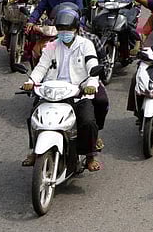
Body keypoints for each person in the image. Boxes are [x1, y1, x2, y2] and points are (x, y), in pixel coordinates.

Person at [21, 10, 102, 171]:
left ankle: (90, 155)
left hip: (78, 92)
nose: (65, 33)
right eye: (61, 29)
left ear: (76, 28)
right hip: (52, 92)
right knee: (34, 118)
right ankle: (35, 151)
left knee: (88, 122)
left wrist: (91, 83)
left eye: (68, 29)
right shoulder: (51, 45)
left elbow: (92, 65)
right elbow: (41, 67)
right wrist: (30, 81)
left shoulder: (86, 45)